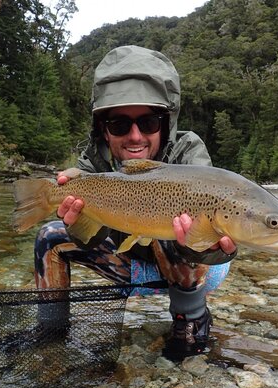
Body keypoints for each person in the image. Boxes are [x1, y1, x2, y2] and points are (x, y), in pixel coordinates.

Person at [34, 45, 237, 360]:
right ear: (104, 128)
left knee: (176, 220)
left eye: (147, 123)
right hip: (125, 262)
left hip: (192, 267)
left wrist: (207, 244)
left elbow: (216, 230)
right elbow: (89, 240)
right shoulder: (91, 164)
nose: (135, 136)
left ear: (165, 123)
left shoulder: (187, 151)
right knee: (49, 236)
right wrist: (75, 224)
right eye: (119, 125)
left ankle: (191, 319)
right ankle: (49, 333)